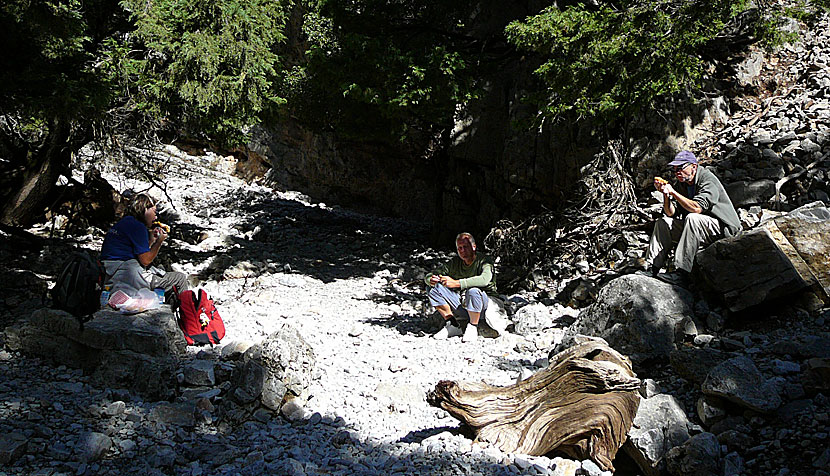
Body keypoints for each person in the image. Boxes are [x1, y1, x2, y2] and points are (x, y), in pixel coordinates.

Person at [645, 150, 742, 286]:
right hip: (698, 229)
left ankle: (681, 272)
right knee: (663, 223)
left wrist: (673, 192)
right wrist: (666, 195)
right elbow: (671, 213)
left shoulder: (707, 179)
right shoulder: (682, 184)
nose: (677, 172)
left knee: (693, 217)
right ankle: (652, 267)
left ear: (694, 167)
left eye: (680, 168)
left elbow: (697, 208)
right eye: (675, 169)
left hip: (723, 228)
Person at [100, 192, 189, 302]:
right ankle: (188, 312)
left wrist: (151, 240)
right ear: (144, 209)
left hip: (111, 270)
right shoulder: (138, 227)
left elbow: (138, 251)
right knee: (179, 278)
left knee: (160, 271)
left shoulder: (124, 222)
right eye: (154, 212)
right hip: (125, 274)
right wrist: (159, 242)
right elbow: (145, 260)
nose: (156, 217)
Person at [424, 232, 496, 342]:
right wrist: (431, 280)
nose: (462, 251)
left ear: (474, 247)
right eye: (459, 248)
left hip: (485, 304)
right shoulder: (455, 263)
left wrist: (457, 283)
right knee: (433, 288)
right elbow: (432, 274)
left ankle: (473, 326)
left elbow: (485, 279)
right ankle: (453, 324)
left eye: (465, 247)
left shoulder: (484, 261)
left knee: (473, 291)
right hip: (464, 303)